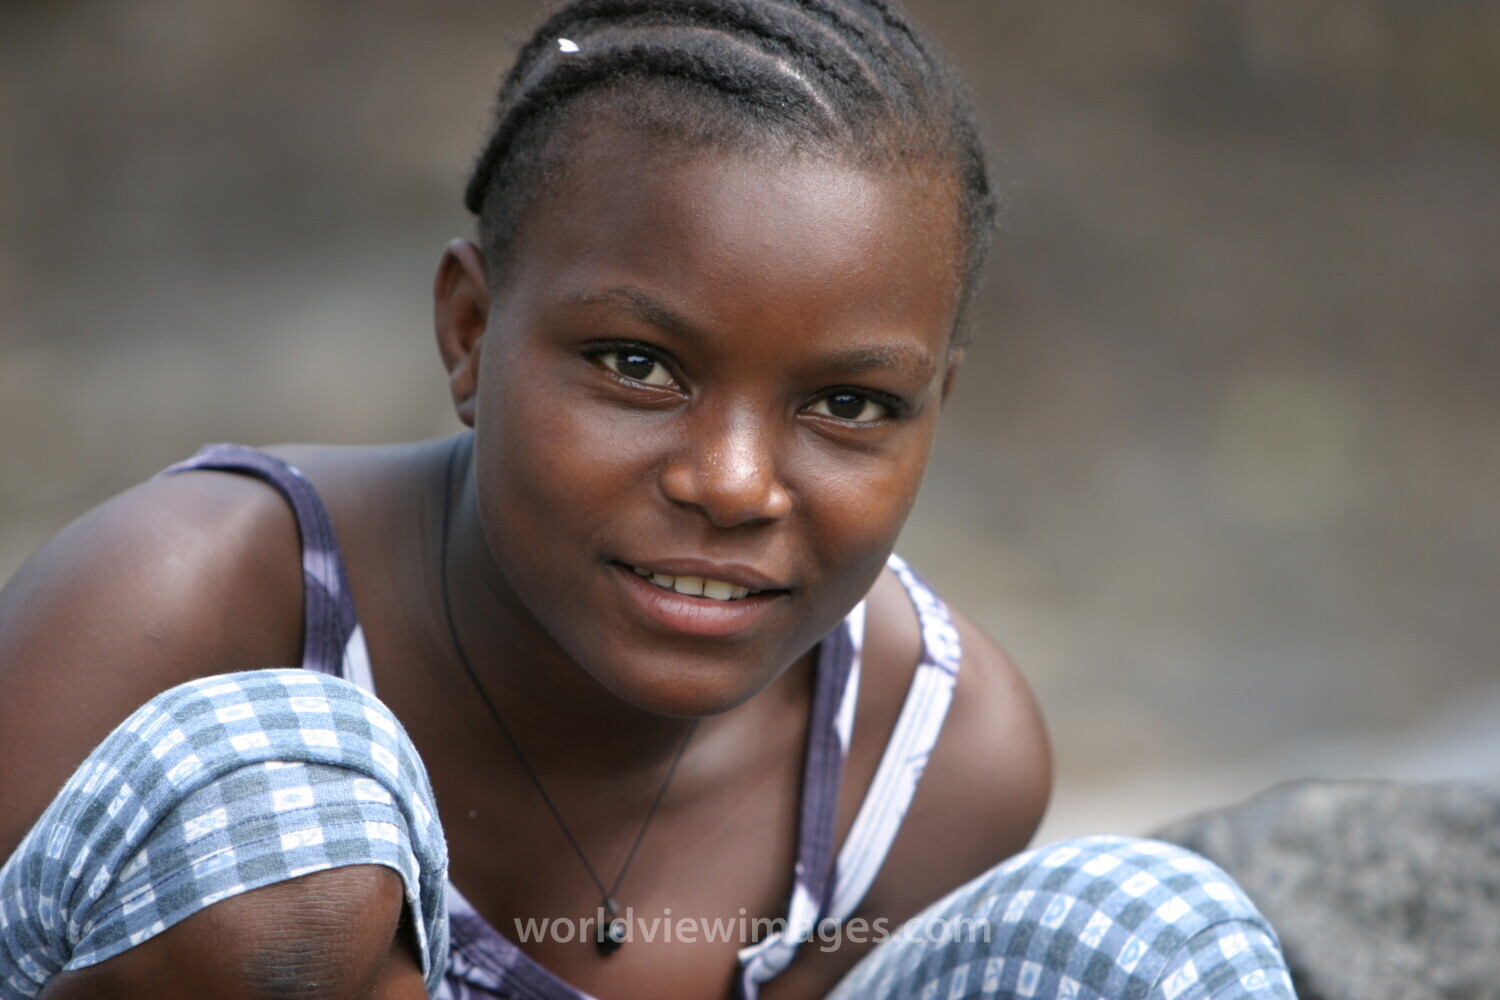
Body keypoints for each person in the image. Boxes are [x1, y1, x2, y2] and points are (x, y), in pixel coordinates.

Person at [0, 1, 1298, 998]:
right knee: (292, 816)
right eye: (637, 365)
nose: (733, 485)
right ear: (470, 329)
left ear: (935, 407)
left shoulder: (928, 757)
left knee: (1145, 933)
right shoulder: (174, 609)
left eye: (850, 404)